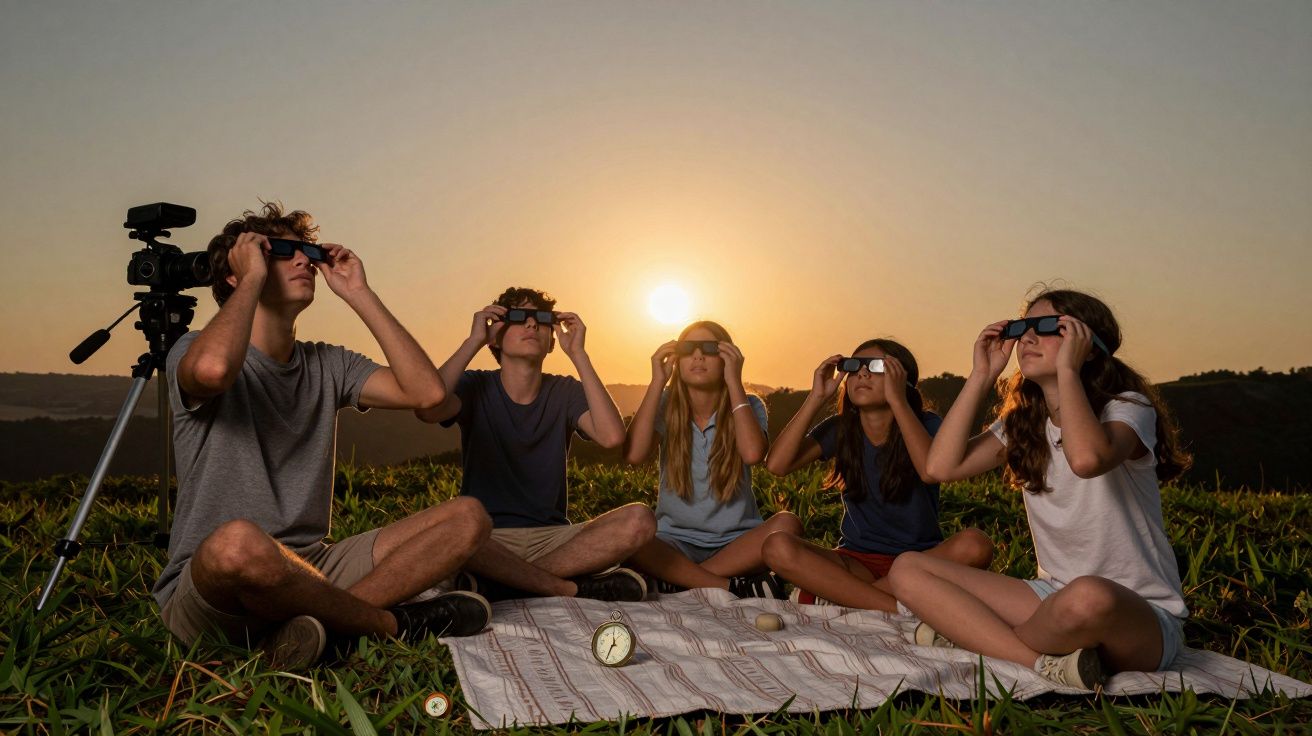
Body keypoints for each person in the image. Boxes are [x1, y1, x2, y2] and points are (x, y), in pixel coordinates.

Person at [156, 202, 493, 670]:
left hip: (312, 566)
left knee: (468, 517)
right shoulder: (192, 347)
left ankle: (317, 629)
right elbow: (212, 373)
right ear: (237, 271)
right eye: (283, 252)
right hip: (217, 583)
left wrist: (359, 293)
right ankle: (386, 624)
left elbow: (428, 393)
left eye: (307, 252)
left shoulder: (326, 363)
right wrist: (250, 278)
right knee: (237, 543)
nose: (304, 261)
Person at [887, 288, 1192, 689]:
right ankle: (1040, 662)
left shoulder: (1127, 407)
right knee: (907, 569)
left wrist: (1068, 371)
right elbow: (939, 467)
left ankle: (972, 637)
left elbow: (1086, 460)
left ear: (1088, 344)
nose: (1026, 339)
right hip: (1050, 596)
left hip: (1140, 616)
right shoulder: (1022, 423)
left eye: (1047, 327)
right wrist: (982, 375)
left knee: (1089, 597)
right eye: (1021, 328)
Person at [417, 287, 653, 601]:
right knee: (443, 533)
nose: (532, 326)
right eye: (519, 318)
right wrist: (474, 340)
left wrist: (579, 355)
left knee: (639, 520)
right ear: (496, 336)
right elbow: (428, 408)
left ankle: (506, 585)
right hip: (485, 538)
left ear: (552, 340)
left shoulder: (565, 390)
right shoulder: (475, 385)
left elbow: (611, 437)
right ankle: (560, 582)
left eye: (542, 320)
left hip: (552, 537)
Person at [761, 339, 993, 611]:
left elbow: (929, 472)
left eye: (876, 366)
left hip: (918, 561)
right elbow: (777, 465)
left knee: (976, 545)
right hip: (856, 562)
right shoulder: (842, 428)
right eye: (853, 366)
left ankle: (845, 597)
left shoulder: (926, 423)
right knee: (776, 546)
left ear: (903, 380)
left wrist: (898, 401)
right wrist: (816, 397)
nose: (862, 373)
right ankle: (895, 606)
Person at [623, 321, 802, 599]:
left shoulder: (748, 404)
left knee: (787, 524)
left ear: (727, 358)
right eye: (687, 349)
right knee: (629, 537)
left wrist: (734, 381)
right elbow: (634, 455)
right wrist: (658, 380)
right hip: (674, 541)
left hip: (737, 542)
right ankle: (728, 586)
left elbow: (753, 454)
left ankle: (683, 579)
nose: (697, 356)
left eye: (709, 348)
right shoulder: (667, 403)